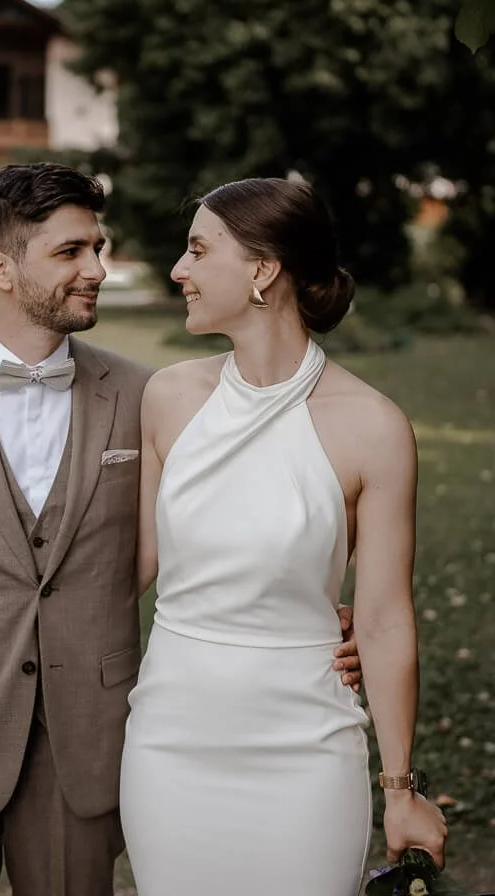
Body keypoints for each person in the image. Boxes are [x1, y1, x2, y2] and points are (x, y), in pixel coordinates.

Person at [0, 163, 363, 896]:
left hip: (91, 745)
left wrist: (315, 613)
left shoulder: (153, 395)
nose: (97, 270)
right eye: (70, 252)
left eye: (98, 248)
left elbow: (249, 510)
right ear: (1, 268)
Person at [120, 177, 447, 895]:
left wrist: (399, 788)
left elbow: (387, 616)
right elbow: (128, 568)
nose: (179, 269)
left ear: (263, 270)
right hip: (170, 744)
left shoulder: (374, 426)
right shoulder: (168, 399)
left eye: (199, 250)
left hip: (307, 749)